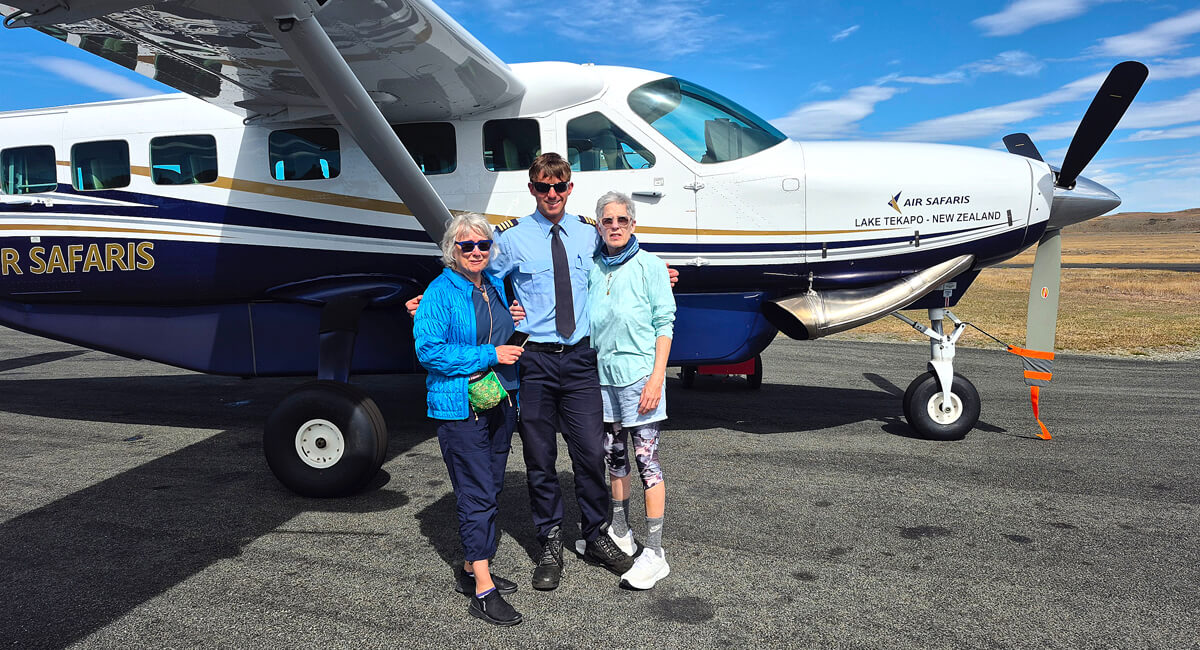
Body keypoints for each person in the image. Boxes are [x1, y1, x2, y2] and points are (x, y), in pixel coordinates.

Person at [485, 153, 635, 589]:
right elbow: (480, 279)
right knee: (540, 458)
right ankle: (549, 542)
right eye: (543, 187)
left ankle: (596, 535)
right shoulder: (511, 238)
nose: (551, 194)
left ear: (570, 188)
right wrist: (502, 309)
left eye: (559, 186)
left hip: (580, 360)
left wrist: (659, 273)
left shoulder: (589, 233)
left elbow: (623, 262)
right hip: (535, 360)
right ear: (532, 189)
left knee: (590, 453)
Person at [413, 212, 525, 626]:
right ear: (452, 250)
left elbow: (494, 331)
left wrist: (512, 321)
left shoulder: (492, 284)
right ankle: (483, 590)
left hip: (499, 400)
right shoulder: (440, 291)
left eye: (483, 245)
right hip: (461, 407)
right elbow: (429, 352)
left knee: (491, 487)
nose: (476, 251)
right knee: (477, 493)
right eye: (467, 245)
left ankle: (469, 569)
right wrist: (490, 354)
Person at [578, 191, 675, 589]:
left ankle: (655, 552)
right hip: (604, 378)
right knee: (614, 458)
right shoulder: (594, 267)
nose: (615, 226)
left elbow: (664, 323)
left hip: (640, 378)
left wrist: (656, 378)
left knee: (646, 460)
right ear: (599, 226)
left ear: (633, 224)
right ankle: (620, 529)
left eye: (622, 220)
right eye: (608, 220)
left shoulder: (650, 265)